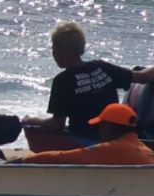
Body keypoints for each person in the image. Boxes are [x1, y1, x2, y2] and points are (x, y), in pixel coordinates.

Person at [22, 21, 154, 138]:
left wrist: (32, 120)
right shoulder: (102, 67)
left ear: (60, 50)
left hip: (86, 137)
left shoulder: (62, 81)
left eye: (54, 48)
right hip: (115, 134)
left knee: (31, 128)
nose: (53, 53)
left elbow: (57, 125)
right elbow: (144, 77)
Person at [23, 103, 154, 165]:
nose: (100, 130)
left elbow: (62, 157)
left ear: (108, 126)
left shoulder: (112, 148)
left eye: (101, 125)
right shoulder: (142, 147)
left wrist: (24, 160)